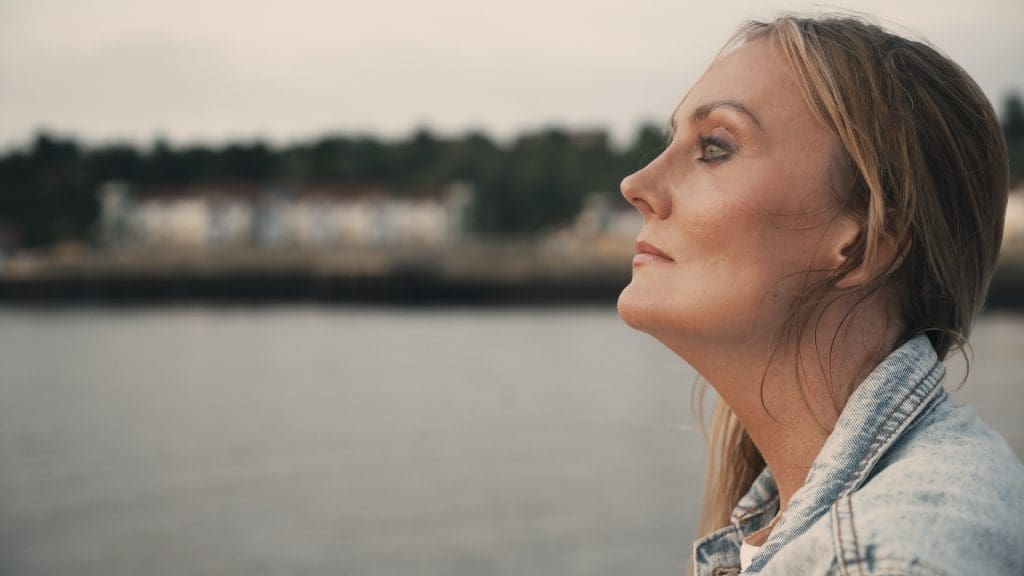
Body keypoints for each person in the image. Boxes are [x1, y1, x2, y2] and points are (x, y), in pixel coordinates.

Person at [616, 14, 1024, 575]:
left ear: (866, 243)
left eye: (714, 146)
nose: (635, 185)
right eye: (673, 141)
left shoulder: (885, 559)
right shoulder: (851, 519)